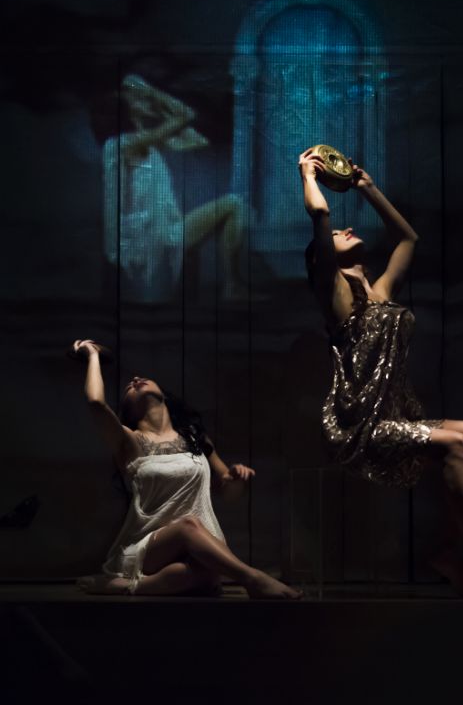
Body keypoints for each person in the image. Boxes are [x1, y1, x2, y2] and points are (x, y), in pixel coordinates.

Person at [299, 148, 463, 601]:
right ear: (322, 259)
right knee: (457, 443)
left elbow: (408, 238)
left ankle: (448, 551)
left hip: (395, 416)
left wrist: (368, 188)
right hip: (360, 426)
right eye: (339, 235)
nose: (347, 230)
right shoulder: (334, 293)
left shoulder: (381, 291)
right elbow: (321, 214)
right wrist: (308, 173)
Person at [73, 339, 301, 599]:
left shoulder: (195, 438)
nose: (135, 379)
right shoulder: (129, 441)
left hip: (202, 544)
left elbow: (230, 493)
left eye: (142, 378)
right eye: (128, 387)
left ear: (165, 396)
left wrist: (238, 478)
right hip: (151, 547)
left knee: (204, 574)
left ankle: (125, 586)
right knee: (188, 525)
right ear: (127, 410)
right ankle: (254, 579)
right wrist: (92, 354)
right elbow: (96, 402)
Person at [103, 75, 247, 301]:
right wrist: (152, 91)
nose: (145, 99)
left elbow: (198, 140)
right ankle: (232, 287)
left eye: (143, 96)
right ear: (125, 107)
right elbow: (186, 115)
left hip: (163, 232)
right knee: (234, 204)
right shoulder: (125, 144)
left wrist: (156, 106)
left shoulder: (147, 141)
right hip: (148, 239)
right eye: (137, 97)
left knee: (232, 206)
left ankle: (226, 288)